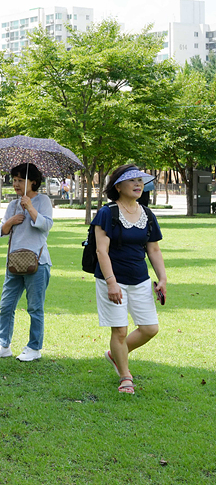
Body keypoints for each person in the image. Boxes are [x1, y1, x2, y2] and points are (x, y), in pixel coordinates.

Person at [93, 165, 166, 396]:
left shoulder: (147, 214)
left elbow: (153, 249)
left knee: (150, 328)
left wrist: (162, 278)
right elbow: (101, 251)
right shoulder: (108, 213)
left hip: (140, 279)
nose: (138, 184)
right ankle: (126, 377)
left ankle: (116, 354)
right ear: (118, 186)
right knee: (120, 331)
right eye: (132, 180)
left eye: (140, 181)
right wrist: (112, 282)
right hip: (112, 279)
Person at [0, 163, 54, 362]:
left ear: (33, 181)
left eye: (20, 180)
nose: (15, 184)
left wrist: (31, 208)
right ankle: (3, 345)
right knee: (6, 306)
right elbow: (1, 231)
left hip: (38, 263)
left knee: (35, 308)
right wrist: (10, 221)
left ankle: (34, 348)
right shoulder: (13, 204)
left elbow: (46, 225)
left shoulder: (43, 200)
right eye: (14, 180)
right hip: (14, 263)